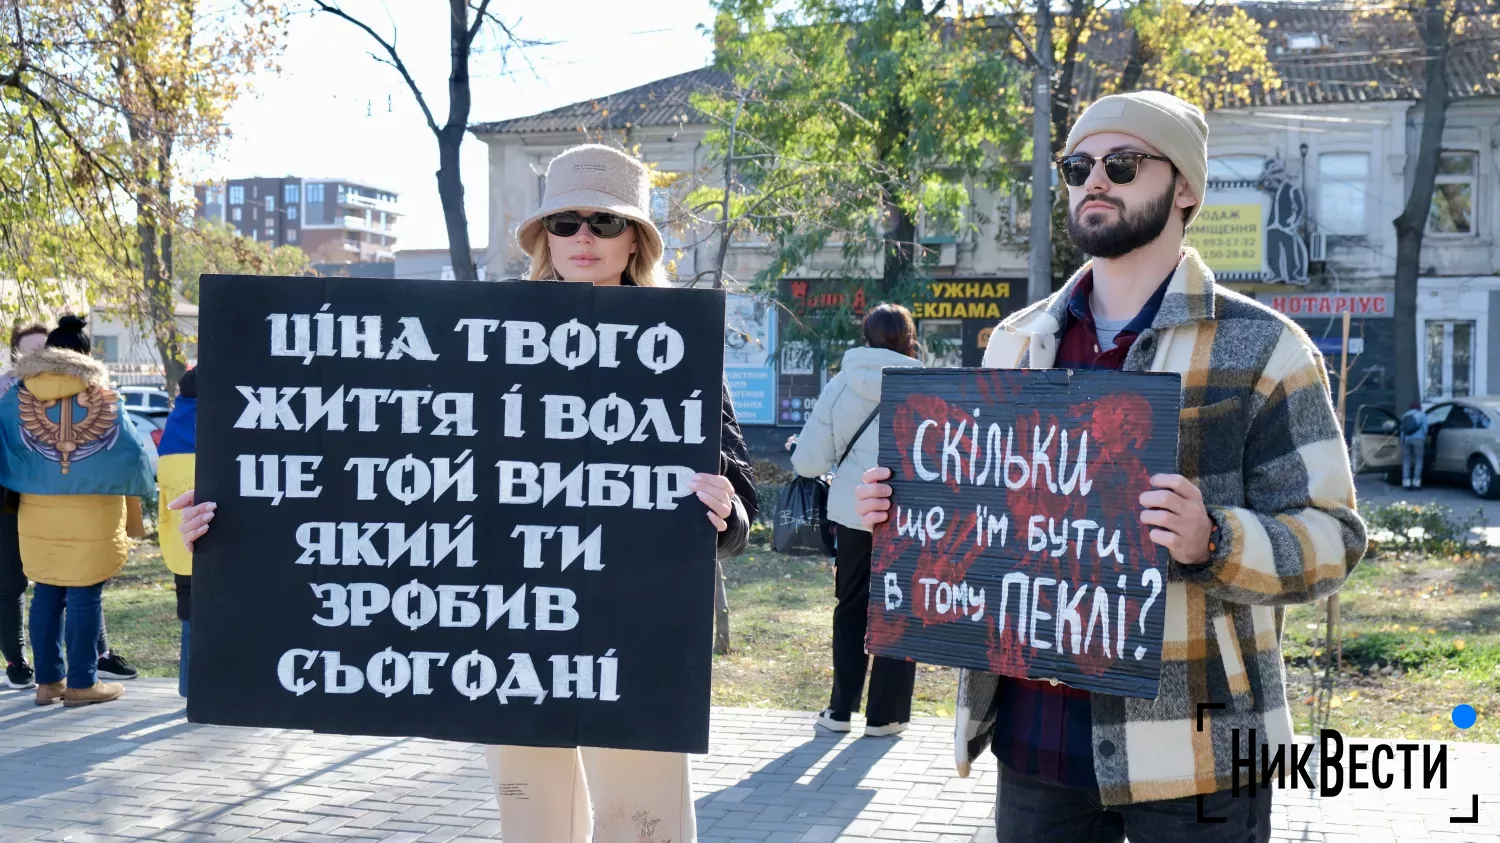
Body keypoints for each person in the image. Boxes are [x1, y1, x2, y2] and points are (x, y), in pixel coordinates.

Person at [171, 143, 758, 843]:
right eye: (565, 223)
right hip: (509, 631)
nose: (583, 238)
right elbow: (369, 460)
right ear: (543, 236)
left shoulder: (680, 346)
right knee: (535, 822)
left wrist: (725, 513)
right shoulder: (478, 335)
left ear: (635, 239)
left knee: (646, 826)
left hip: (632, 627)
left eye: (604, 222)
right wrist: (234, 519)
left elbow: (739, 497)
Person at [852, 91, 1367, 843]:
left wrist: (1212, 539)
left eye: (1122, 164)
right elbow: (984, 531)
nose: (1095, 180)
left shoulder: (1266, 350)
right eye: (1077, 165)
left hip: (1200, 755)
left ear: (1184, 187)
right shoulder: (1016, 342)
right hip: (1034, 744)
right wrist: (906, 512)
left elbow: (1336, 538)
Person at [0, 316, 154, 707]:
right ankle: (83, 684)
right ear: (86, 354)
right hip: (92, 510)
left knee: (46, 592)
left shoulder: (16, 397)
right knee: (85, 595)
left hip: (37, 511)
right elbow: (132, 453)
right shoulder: (102, 395)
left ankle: (48, 682)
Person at [788, 303, 923, 737]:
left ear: (865, 335)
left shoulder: (841, 385)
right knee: (899, 609)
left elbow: (808, 462)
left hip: (852, 515)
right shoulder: (925, 387)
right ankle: (888, 717)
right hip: (910, 517)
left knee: (851, 610)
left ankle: (840, 711)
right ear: (907, 338)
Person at [1, 324, 50, 689]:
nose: (39, 357)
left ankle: (89, 657)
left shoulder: (69, 392)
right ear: (17, 356)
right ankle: (17, 660)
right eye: (31, 351)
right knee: (10, 582)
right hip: (7, 501)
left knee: (62, 580)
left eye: (44, 349)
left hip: (49, 501)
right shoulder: (4, 389)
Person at [156, 367, 198, 697]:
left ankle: (188, 687)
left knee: (189, 609)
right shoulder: (222, 428)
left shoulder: (176, 427)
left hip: (182, 547)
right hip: (216, 546)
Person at [1399, 400, 1428, 489]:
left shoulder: (1405, 415)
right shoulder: (1422, 415)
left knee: (1406, 461)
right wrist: (1424, 438)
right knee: (1418, 460)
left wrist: (1402, 440)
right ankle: (1416, 483)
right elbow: (1425, 429)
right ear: (1419, 407)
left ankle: (1406, 483)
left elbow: (1402, 429)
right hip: (1418, 440)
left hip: (1406, 439)